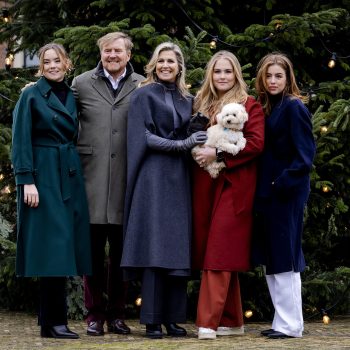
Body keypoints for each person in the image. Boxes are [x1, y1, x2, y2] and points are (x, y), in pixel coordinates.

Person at [121, 42, 207, 339]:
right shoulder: (143, 94)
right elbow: (143, 136)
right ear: (154, 65)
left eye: (171, 61)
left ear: (179, 66)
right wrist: (182, 144)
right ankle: (152, 320)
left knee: (176, 247)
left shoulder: (188, 98)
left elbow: (193, 132)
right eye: (161, 61)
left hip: (179, 177)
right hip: (153, 176)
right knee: (155, 246)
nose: (166, 65)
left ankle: (173, 318)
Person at [11, 43, 92, 339]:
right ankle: (53, 323)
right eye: (47, 61)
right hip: (42, 174)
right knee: (51, 247)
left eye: (57, 60)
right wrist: (26, 180)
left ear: (66, 62)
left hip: (68, 172)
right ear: (41, 65)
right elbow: (20, 139)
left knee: (65, 243)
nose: (53, 65)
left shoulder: (72, 95)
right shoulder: (30, 94)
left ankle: (50, 321)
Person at [71, 32, 144, 336]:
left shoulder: (142, 84)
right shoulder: (82, 83)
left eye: (117, 51)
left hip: (127, 180)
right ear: (100, 54)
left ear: (128, 54)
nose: (112, 56)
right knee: (91, 253)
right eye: (106, 51)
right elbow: (61, 110)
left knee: (121, 254)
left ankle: (117, 313)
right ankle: (94, 314)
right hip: (91, 177)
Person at [191, 50, 265, 340]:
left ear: (236, 74)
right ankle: (232, 320)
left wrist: (218, 152)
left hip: (233, 188)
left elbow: (256, 144)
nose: (222, 76)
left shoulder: (249, 105)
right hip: (204, 188)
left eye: (228, 71)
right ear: (211, 74)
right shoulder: (200, 104)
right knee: (217, 251)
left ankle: (207, 322)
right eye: (217, 71)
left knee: (219, 252)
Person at [253, 52, 316, 339]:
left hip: (286, 193)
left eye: (279, 75)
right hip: (269, 194)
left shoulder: (293, 107)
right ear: (262, 79)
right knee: (273, 256)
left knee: (286, 256)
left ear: (288, 78)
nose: (273, 80)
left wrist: (281, 184)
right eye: (269, 76)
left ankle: (292, 325)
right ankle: (282, 321)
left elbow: (305, 157)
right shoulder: (269, 107)